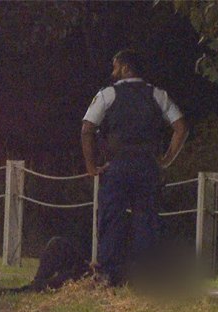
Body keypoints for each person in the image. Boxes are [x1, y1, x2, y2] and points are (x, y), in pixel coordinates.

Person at [80, 49, 188, 286]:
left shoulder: (108, 95)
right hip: (148, 165)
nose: (113, 71)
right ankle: (146, 273)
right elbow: (180, 126)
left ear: (126, 68)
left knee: (111, 217)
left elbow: (87, 128)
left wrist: (91, 166)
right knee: (146, 218)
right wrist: (167, 159)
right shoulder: (157, 94)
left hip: (117, 165)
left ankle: (108, 273)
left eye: (115, 66)